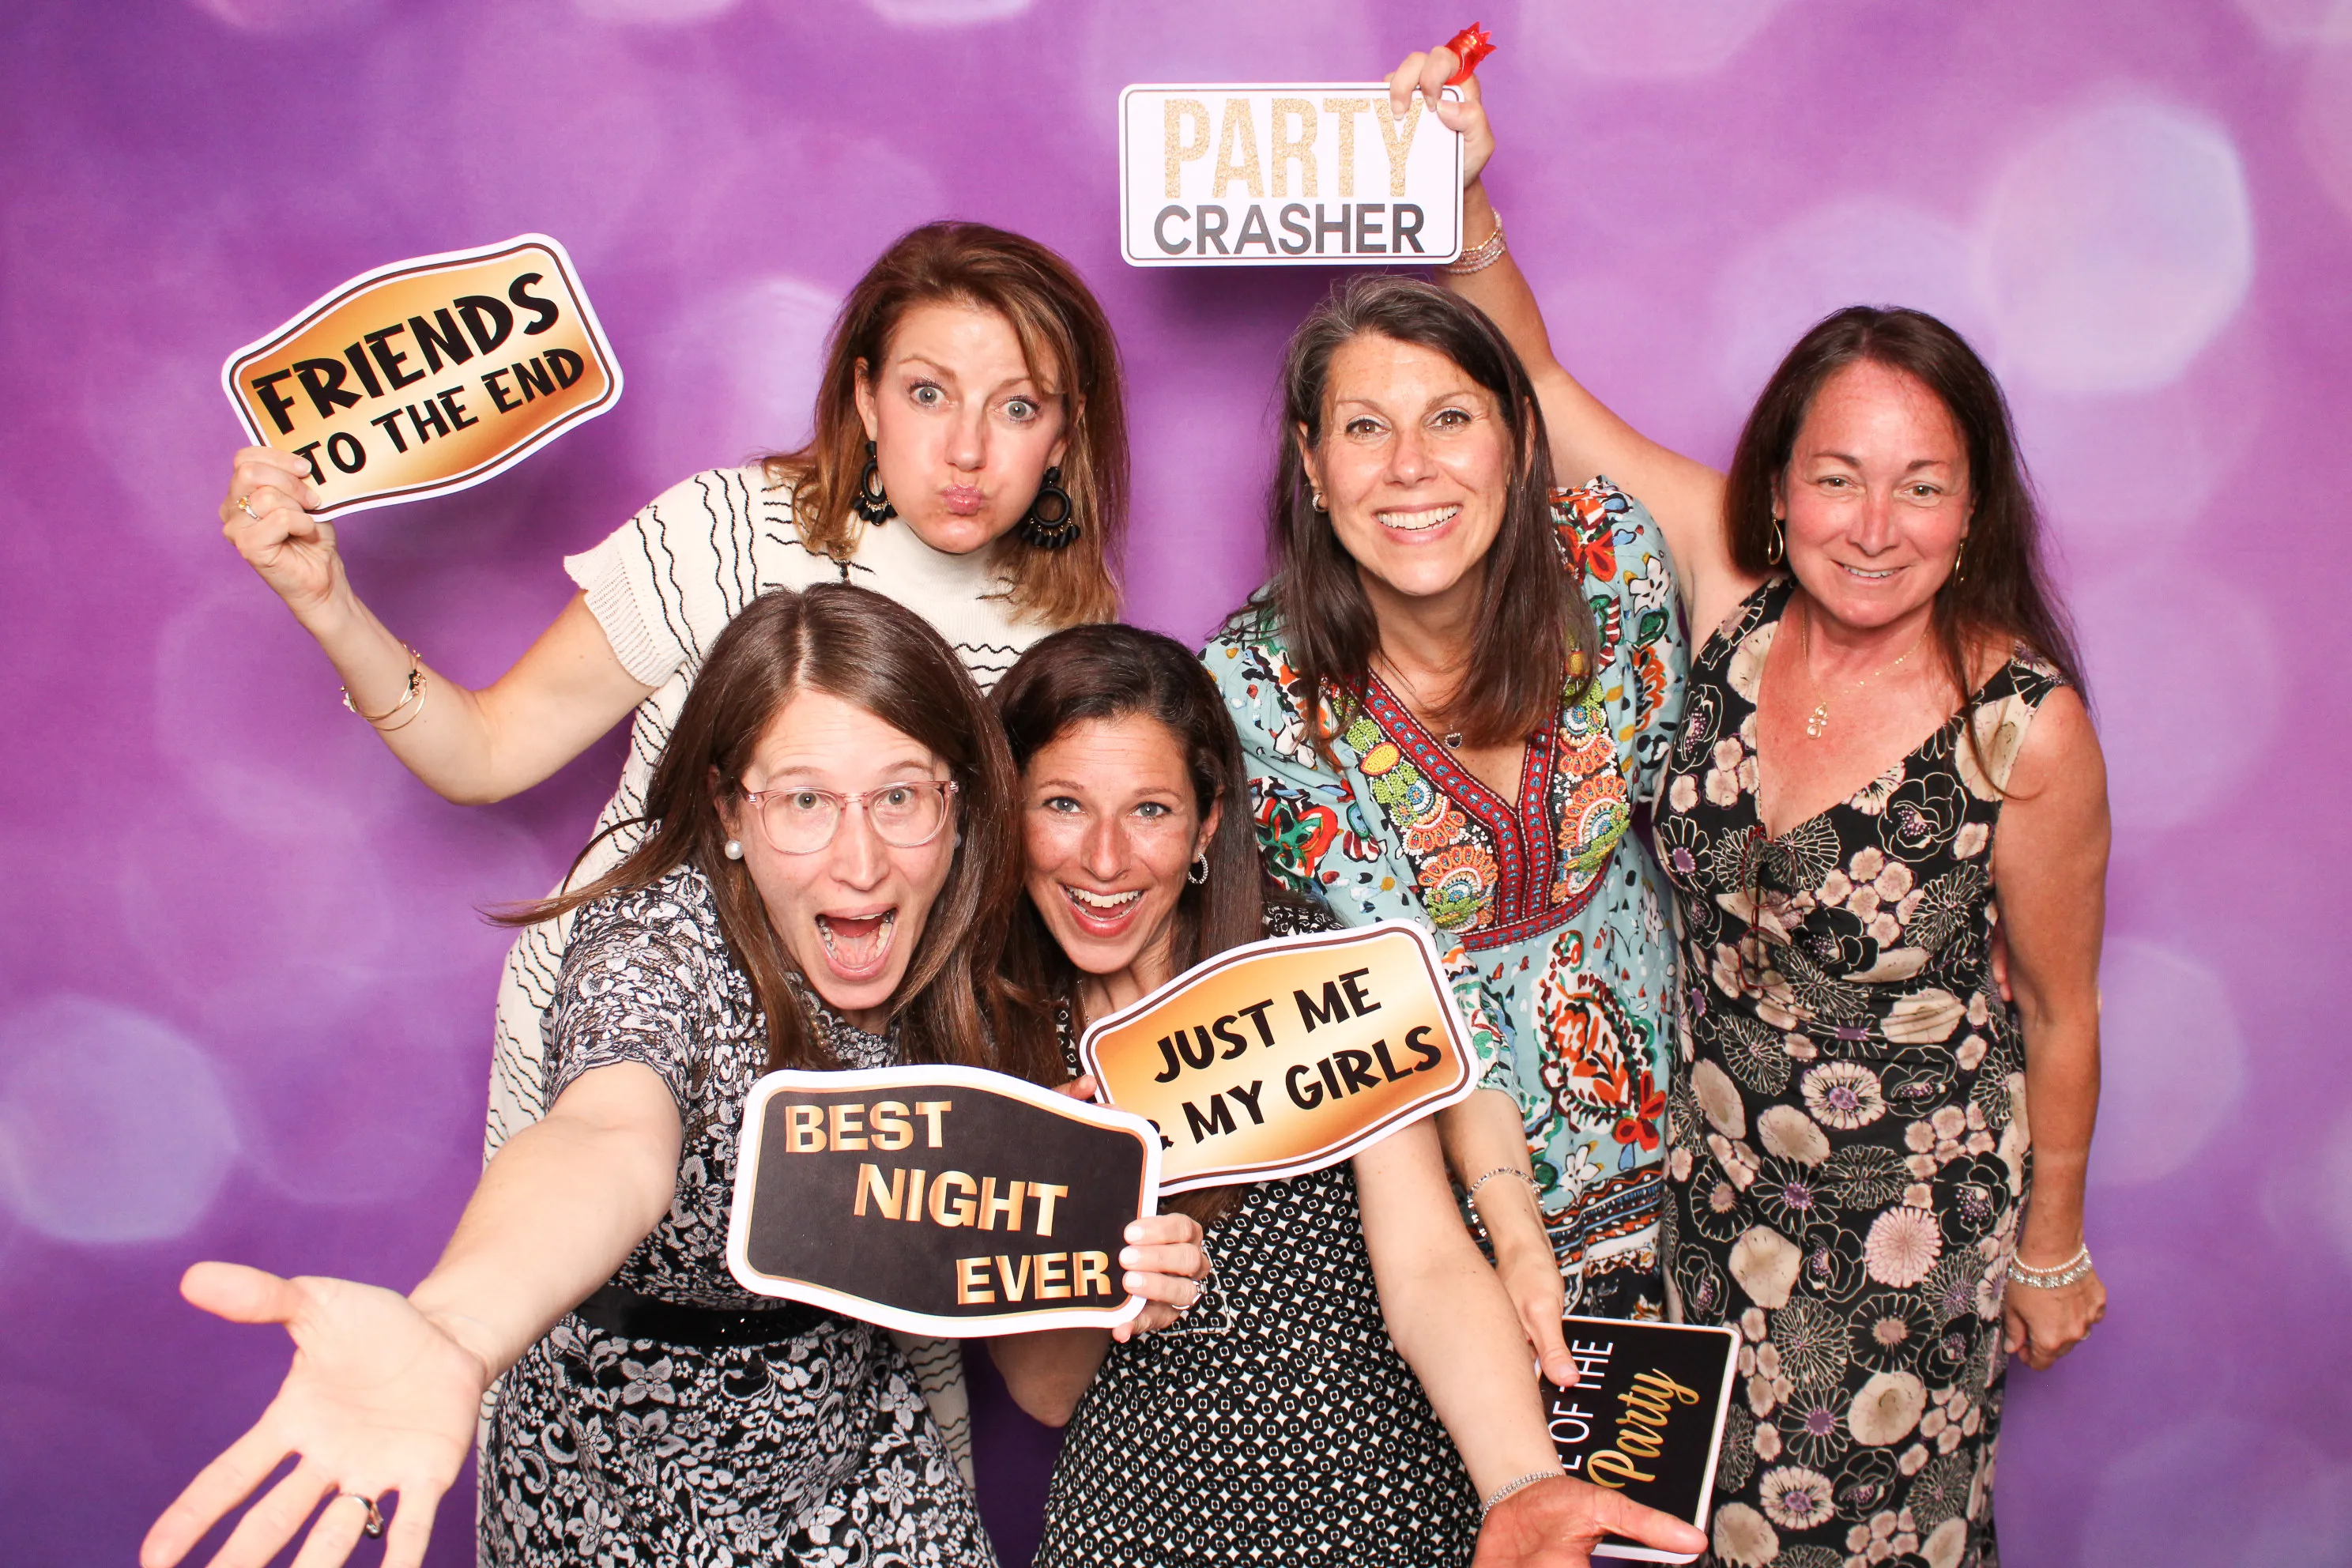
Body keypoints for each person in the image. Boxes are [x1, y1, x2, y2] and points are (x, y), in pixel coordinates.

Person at [220, 220, 1130, 1463]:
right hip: (630, 1024)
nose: (967, 450)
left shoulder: (1055, 643)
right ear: (865, 395)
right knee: (588, 1374)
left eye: (1018, 407)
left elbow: (1009, 913)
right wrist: (329, 605)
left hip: (865, 1082)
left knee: (870, 1438)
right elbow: (487, 752)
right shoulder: (724, 533)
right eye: (928, 393)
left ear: (1065, 434)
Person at [1399, 42, 2113, 1566]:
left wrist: (2052, 1247)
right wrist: (1462, 204)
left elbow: (2060, 1010)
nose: (1875, 526)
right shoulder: (1731, 602)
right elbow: (1539, 391)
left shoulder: (2024, 727)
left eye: (1922, 484)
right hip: (1702, 1201)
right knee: (1678, 1538)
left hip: (1901, 1246)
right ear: (1776, 486)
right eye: (1837, 476)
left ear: (1973, 505)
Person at [138, 585, 1206, 1568]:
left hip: (852, 1450)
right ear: (730, 811)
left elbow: (1046, 1381)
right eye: (804, 800)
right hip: (615, 1486)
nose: (862, 861)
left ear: (960, 801)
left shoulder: (967, 943)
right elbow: (606, 1137)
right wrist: (457, 1331)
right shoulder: (656, 945)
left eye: (900, 796)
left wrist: (1096, 1254)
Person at [982, 625, 1705, 1568]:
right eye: (1064, 804)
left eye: (1150, 809)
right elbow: (1042, 1392)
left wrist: (1522, 1481)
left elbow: (1428, 1262)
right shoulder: (996, 1046)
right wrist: (1096, 1246)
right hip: (1142, 1526)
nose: (1106, 858)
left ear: (1207, 824)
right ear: (1009, 810)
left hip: (1382, 1507)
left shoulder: (1306, 968)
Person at [1200, 272, 1690, 1380]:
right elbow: (1416, 975)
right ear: (1312, 463)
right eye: (1364, 428)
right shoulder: (1260, 688)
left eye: (1451, 418)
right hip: (1450, 1177)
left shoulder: (1612, 563)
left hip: (1686, 1137)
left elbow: (1697, 806)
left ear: (1517, 441)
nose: (1410, 466)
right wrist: (1515, 1235)